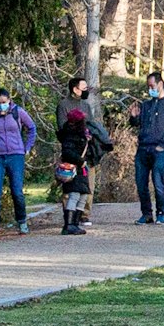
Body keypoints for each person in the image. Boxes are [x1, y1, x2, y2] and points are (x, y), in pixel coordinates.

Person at [0, 88, 39, 238]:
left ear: (9, 100)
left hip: (16, 155)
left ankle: (22, 221)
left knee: (17, 191)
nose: (1, 105)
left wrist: (27, 147)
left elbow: (31, 128)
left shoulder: (18, 112)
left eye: (4, 102)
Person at [54, 79, 107, 235]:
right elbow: (62, 128)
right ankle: (69, 220)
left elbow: (90, 125)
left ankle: (82, 216)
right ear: (75, 89)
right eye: (84, 88)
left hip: (86, 151)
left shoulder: (86, 105)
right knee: (71, 188)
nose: (86, 91)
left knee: (86, 186)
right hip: (72, 152)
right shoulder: (63, 105)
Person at [130, 77, 164, 224]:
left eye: (152, 85)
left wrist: (163, 144)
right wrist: (134, 118)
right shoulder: (146, 104)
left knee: (158, 182)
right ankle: (146, 213)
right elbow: (138, 124)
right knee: (141, 183)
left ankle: (161, 212)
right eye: (148, 86)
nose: (150, 88)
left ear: (160, 84)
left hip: (158, 149)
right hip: (143, 147)